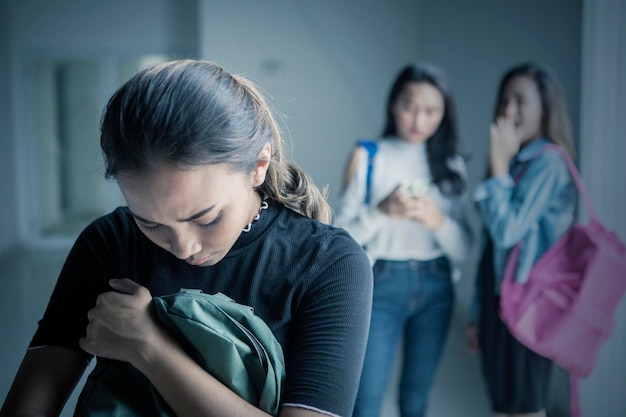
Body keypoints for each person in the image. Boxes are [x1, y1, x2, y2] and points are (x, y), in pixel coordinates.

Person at [0, 59, 373, 417]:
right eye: (149, 223)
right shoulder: (109, 242)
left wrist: (149, 348)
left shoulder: (329, 263)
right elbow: (30, 405)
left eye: (206, 219)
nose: (183, 248)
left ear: (258, 167)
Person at [334, 63, 473, 417]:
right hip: (381, 284)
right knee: (365, 402)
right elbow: (342, 237)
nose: (419, 119)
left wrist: (436, 220)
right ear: (394, 104)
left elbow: (464, 248)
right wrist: (383, 211)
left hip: (437, 286)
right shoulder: (367, 156)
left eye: (431, 111)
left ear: (444, 114)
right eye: (410, 106)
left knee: (415, 402)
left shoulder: (452, 166)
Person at [464, 62, 577, 417]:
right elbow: (490, 249)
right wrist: (477, 313)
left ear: (544, 108)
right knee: (503, 406)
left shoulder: (549, 163)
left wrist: (499, 166)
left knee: (525, 408)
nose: (509, 110)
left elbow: (508, 230)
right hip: (499, 302)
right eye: (504, 100)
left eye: (520, 101)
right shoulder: (515, 162)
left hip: (529, 306)